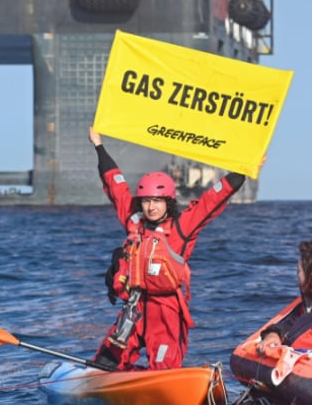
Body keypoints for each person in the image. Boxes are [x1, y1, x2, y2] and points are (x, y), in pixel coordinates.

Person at [89, 127, 250, 371]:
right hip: (134, 308)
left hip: (166, 312)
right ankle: (105, 379)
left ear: (168, 202)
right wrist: (99, 146)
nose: (151, 207)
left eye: (157, 201)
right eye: (146, 201)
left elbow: (214, 198)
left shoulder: (182, 227)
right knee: (105, 363)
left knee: (163, 366)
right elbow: (115, 184)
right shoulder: (134, 222)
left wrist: (245, 168)